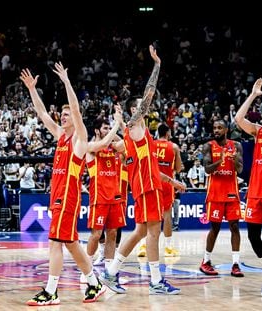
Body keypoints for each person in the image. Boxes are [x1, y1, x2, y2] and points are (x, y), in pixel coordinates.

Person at [99, 45, 185, 295]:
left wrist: (173, 182)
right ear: (134, 111)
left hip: (150, 185)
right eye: (140, 106)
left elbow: (153, 169)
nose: (145, 106)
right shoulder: (134, 126)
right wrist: (157, 65)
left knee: (139, 232)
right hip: (146, 189)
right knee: (153, 233)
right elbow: (149, 93)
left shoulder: (142, 135)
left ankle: (111, 272)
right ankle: (156, 281)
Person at [21, 62, 105, 305]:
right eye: (63, 114)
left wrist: (67, 82)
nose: (64, 116)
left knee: (55, 242)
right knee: (72, 244)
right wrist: (32, 90)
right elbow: (42, 113)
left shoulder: (79, 140)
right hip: (57, 197)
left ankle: (51, 291)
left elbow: (77, 111)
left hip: (68, 198)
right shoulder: (60, 137)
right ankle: (94, 283)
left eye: (67, 114)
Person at [234, 73, 262, 297]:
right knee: (252, 236)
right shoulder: (259, 132)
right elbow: (239, 120)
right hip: (254, 193)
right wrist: (253, 95)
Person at [81, 111, 125, 282]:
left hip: (115, 196)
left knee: (112, 233)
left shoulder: (113, 147)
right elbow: (103, 143)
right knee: (96, 234)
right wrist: (117, 124)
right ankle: (87, 270)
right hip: (99, 197)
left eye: (109, 127)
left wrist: (119, 125)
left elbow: (125, 146)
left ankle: (108, 271)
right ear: (97, 131)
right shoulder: (89, 146)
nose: (108, 130)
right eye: (105, 128)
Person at [199, 119, 244, 277]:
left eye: (219, 128)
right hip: (215, 194)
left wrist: (234, 160)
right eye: (214, 128)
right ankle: (206, 261)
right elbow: (207, 169)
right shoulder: (208, 146)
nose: (216, 130)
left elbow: (240, 169)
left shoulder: (236, 145)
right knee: (215, 228)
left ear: (226, 130)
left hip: (232, 193)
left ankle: (236, 264)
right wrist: (221, 160)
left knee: (235, 227)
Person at [155, 123, 182, 256]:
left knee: (148, 215)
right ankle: (168, 248)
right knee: (167, 216)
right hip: (167, 184)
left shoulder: (151, 144)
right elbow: (178, 168)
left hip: (152, 182)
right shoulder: (174, 147)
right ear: (168, 133)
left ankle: (143, 247)